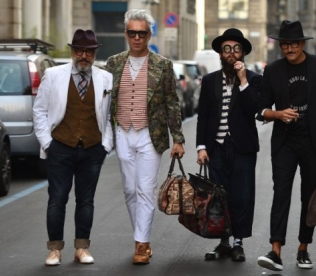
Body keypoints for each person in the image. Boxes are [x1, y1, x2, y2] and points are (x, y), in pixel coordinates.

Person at [256, 20, 316, 271]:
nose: (289, 48)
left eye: (294, 43)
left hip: (314, 143)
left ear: (302, 43)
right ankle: (275, 250)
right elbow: (261, 110)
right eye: (284, 44)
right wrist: (279, 114)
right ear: (280, 46)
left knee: (309, 197)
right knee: (281, 193)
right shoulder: (272, 70)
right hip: (284, 142)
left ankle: (303, 249)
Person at [105, 9, 185, 265]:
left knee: (145, 190)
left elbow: (172, 102)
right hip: (123, 132)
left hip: (151, 134)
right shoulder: (114, 63)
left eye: (142, 33)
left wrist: (178, 138)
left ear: (150, 34)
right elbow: (105, 102)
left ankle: (141, 243)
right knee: (129, 190)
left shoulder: (162, 65)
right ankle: (141, 236)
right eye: (132, 33)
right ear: (126, 34)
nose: (137, 38)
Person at [33, 29, 114, 266]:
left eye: (88, 52)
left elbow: (109, 116)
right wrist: (47, 143)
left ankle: (82, 247)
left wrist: (105, 145)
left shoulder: (105, 78)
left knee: (86, 200)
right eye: (79, 51)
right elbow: (39, 110)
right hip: (60, 146)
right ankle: (54, 250)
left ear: (94, 53)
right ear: (72, 51)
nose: (83, 56)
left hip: (92, 148)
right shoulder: (53, 75)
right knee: (57, 199)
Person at [196, 28, 262, 262]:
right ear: (221, 54)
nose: (231, 53)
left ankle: (238, 242)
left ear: (242, 53)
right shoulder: (210, 80)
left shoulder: (254, 79)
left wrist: (243, 81)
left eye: (236, 49)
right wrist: (201, 146)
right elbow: (202, 115)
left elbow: (253, 110)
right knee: (219, 197)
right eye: (227, 49)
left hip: (242, 147)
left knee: (242, 196)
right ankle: (223, 241)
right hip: (216, 148)